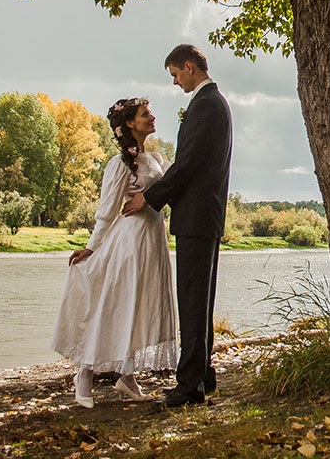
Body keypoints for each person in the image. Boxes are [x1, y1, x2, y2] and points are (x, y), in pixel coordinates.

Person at [122, 44, 232, 408]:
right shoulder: (212, 104)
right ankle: (203, 374)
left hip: (197, 217)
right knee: (200, 300)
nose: (174, 81)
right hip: (204, 215)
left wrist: (149, 198)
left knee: (193, 300)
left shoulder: (207, 105)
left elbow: (187, 166)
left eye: (174, 74)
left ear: (189, 67)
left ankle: (189, 387)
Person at [51, 98, 179, 408]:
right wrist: (92, 249)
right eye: (144, 114)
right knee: (116, 304)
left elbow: (172, 186)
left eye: (150, 112)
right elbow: (107, 212)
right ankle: (84, 373)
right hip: (129, 244)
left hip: (154, 243)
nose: (151, 117)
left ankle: (126, 375)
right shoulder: (120, 164)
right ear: (130, 124)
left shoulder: (157, 159)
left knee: (139, 306)